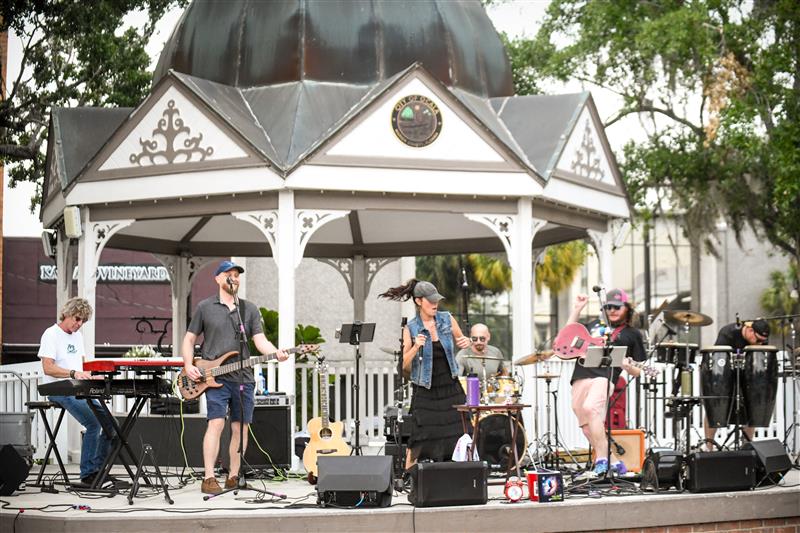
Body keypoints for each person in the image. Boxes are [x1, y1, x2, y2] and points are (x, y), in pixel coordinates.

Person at [182, 260, 288, 495]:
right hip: (214, 377)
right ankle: (209, 477)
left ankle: (234, 476)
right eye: (229, 274)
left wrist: (275, 352)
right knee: (217, 423)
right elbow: (189, 339)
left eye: (237, 275)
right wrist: (189, 365)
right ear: (218, 279)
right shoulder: (205, 307)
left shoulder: (248, 309)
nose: (234, 278)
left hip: (243, 378)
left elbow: (260, 341)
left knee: (240, 428)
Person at [379, 279, 471, 467]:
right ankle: (410, 477)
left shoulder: (447, 318)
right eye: (431, 300)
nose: (435, 304)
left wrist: (466, 342)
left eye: (436, 300)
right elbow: (403, 365)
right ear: (419, 301)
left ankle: (464, 475)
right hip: (426, 389)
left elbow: (462, 340)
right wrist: (416, 347)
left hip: (450, 385)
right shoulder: (411, 328)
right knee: (420, 436)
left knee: (462, 430)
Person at [38, 297, 122, 487]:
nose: (79, 324)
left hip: (79, 388)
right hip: (58, 389)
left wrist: (92, 376)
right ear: (66, 313)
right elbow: (48, 368)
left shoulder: (78, 337)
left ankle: (99, 471)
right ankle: (87, 474)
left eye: (82, 321)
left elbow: (82, 366)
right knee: (93, 423)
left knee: (111, 424)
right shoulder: (51, 334)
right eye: (77, 318)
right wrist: (74, 373)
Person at [566, 289, 645, 476]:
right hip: (581, 374)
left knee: (591, 408)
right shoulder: (593, 324)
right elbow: (568, 335)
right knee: (586, 426)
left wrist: (627, 367)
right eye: (608, 307)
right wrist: (577, 308)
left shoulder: (632, 333)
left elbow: (640, 369)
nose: (612, 310)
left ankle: (601, 459)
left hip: (605, 376)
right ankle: (615, 462)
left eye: (617, 307)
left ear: (627, 308)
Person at [703, 318, 770, 449]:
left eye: (763, 341)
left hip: (747, 375)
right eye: (758, 340)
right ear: (750, 331)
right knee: (714, 406)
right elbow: (718, 359)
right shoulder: (728, 333)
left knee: (752, 406)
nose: (761, 344)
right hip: (726, 374)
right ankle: (708, 446)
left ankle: (747, 446)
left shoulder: (760, 337)